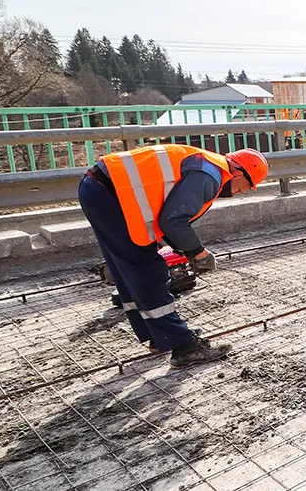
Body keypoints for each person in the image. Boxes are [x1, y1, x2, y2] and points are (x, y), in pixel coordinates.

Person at [79, 145, 268, 368]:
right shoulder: (209, 175)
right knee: (147, 270)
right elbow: (173, 220)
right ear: (238, 173)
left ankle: (160, 336)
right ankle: (184, 347)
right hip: (111, 195)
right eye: (248, 186)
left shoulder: (206, 164)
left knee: (129, 270)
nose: (243, 191)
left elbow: (162, 206)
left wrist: (181, 246)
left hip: (102, 190)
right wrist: (199, 253)